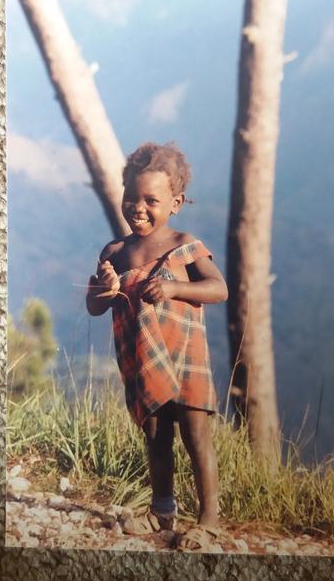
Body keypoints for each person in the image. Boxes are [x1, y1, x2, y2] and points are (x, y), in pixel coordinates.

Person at [86, 142, 228, 551]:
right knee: (155, 432)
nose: (139, 208)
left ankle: (209, 520)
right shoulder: (115, 252)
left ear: (176, 203)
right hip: (143, 359)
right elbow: (94, 307)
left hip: (185, 357)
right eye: (132, 197)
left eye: (152, 200)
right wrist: (106, 288)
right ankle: (162, 510)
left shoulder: (184, 245)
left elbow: (218, 288)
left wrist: (174, 287)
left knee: (196, 433)